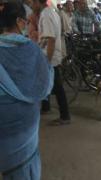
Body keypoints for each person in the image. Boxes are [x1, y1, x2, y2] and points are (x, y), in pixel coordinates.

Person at [0, 1, 53, 179]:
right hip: (25, 129)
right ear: (18, 21)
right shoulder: (32, 49)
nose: (27, 25)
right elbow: (46, 85)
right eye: (25, 21)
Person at [34, 0, 71, 125]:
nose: (32, 6)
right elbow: (47, 38)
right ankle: (46, 106)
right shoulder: (52, 12)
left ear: (38, 2)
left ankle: (65, 116)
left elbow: (51, 39)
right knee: (47, 82)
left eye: (33, 3)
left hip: (50, 56)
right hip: (50, 54)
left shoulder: (46, 14)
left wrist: (47, 62)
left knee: (57, 86)